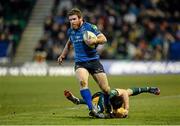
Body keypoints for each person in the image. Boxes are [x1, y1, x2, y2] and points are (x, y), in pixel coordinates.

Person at [57, 8, 111, 118]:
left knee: (106, 89)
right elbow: (69, 42)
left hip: (94, 61)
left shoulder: (90, 27)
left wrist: (94, 41)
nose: (71, 22)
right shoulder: (71, 30)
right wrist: (62, 55)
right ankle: (93, 110)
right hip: (80, 63)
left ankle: (108, 107)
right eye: (70, 20)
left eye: (74, 19)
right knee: (83, 83)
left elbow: (104, 39)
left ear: (80, 18)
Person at [64, 87, 160, 118]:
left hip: (108, 98)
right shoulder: (107, 100)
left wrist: (126, 109)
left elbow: (125, 93)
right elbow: (102, 95)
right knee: (97, 108)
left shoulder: (116, 93)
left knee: (128, 92)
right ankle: (77, 100)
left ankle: (148, 89)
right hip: (99, 97)